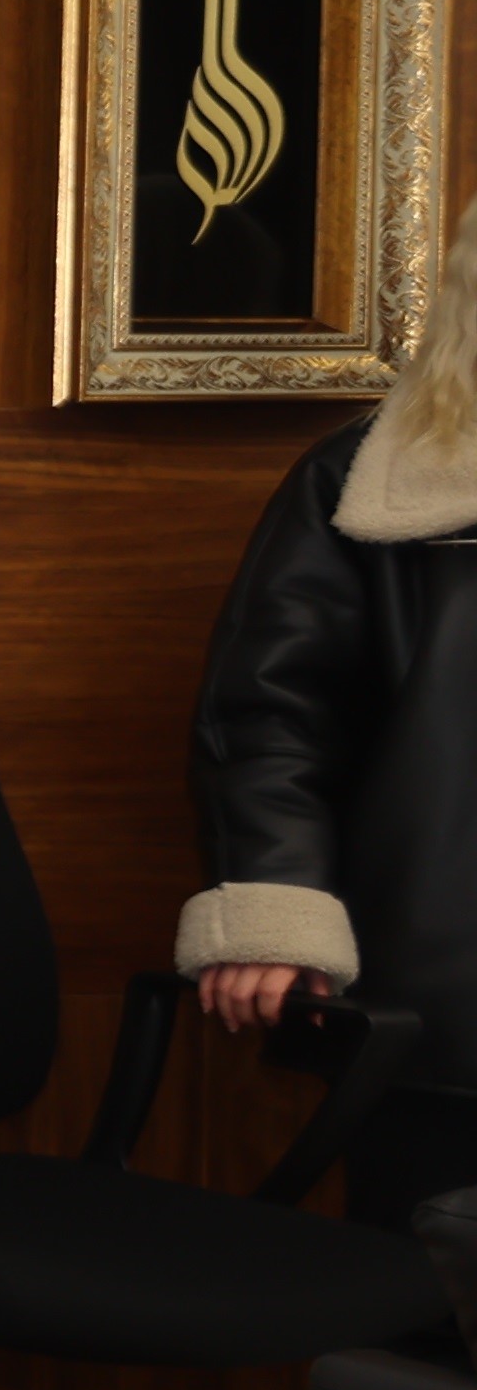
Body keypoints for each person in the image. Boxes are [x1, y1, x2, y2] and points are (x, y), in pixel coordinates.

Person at [187, 201, 477, 1232]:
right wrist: (278, 901)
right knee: (436, 1298)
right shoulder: (366, 482)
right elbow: (273, 717)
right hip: (453, 998)